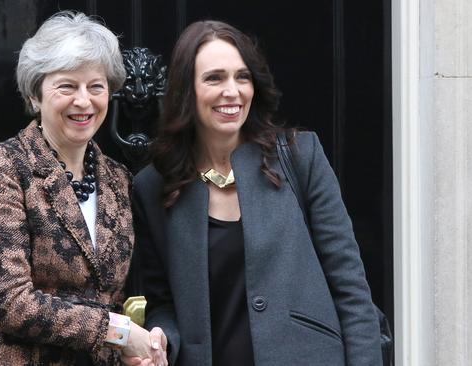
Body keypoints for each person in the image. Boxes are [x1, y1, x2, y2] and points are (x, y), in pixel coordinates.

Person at [131, 20, 383, 365]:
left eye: (242, 76)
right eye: (214, 78)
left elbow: (351, 288)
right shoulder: (153, 187)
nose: (232, 91)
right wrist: (162, 339)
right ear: (186, 91)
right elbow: (164, 304)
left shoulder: (300, 156)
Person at [0, 11, 167, 366]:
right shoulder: (0, 167)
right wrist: (120, 332)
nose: (84, 101)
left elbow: (109, 296)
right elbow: (8, 300)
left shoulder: (118, 179)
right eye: (67, 86)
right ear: (36, 94)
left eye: (96, 86)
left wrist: (138, 349)